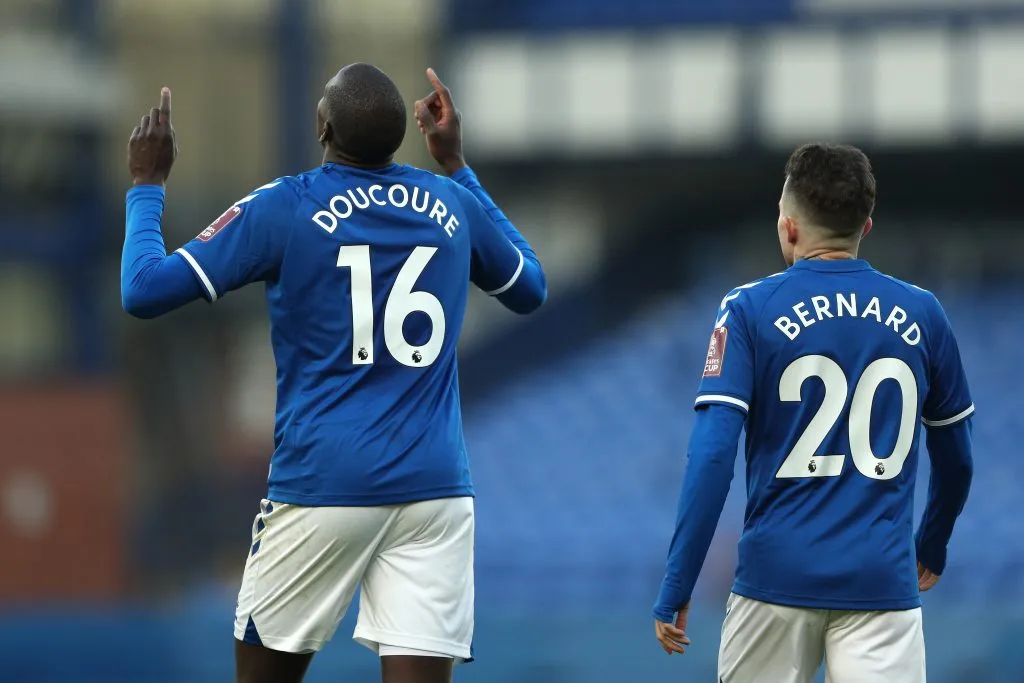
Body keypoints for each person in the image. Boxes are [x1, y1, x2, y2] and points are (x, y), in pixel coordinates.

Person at [121, 64, 546, 683]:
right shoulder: (453, 203)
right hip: (434, 490)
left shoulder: (284, 208)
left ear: (322, 126)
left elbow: (142, 289)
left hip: (322, 483)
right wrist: (456, 164)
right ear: (403, 137)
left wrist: (146, 183)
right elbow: (530, 288)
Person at [651, 143, 974, 682]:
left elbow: (711, 456)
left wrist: (678, 583)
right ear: (865, 227)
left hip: (773, 582)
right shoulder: (925, 313)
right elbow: (957, 460)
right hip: (882, 586)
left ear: (790, 228)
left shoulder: (748, 308)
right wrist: (932, 546)